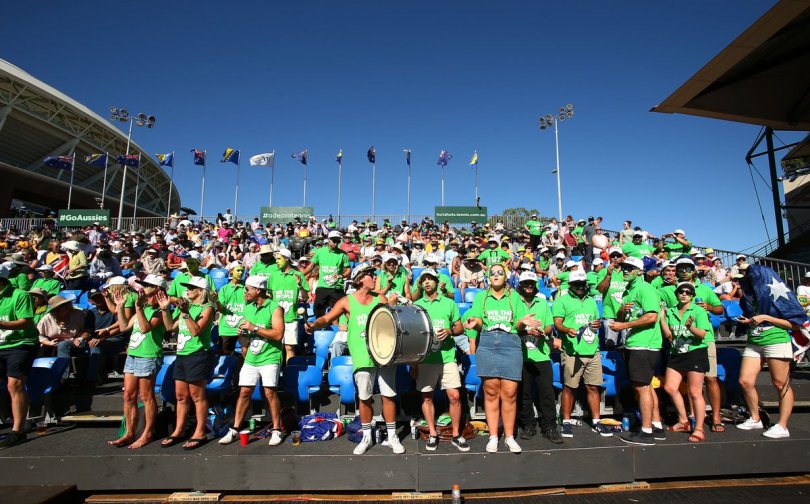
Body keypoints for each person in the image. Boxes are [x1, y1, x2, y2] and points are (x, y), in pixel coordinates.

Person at [306, 264, 404, 455]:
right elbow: (327, 318)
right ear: (359, 279)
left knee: (388, 396)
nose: (375, 278)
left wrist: (393, 307)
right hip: (362, 356)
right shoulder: (347, 301)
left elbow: (393, 324)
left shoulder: (381, 298)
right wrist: (313, 324)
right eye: (370, 275)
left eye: (374, 275)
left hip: (384, 355)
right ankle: (366, 437)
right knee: (364, 398)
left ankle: (392, 436)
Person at [463, 263, 541, 454]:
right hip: (487, 344)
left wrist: (522, 322)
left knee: (510, 393)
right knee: (491, 392)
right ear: (488, 277)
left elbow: (518, 326)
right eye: (493, 273)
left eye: (500, 272)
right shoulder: (481, 297)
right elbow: (478, 322)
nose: (496, 275)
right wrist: (474, 323)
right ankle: (493, 436)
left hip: (511, 345)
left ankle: (509, 436)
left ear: (506, 276)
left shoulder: (514, 297)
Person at [736, 265, 805, 439]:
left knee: (781, 384)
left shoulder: (777, 293)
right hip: (754, 340)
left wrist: (766, 317)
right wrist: (748, 321)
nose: (747, 279)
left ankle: (782, 426)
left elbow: (795, 324)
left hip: (776, 340)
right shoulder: (750, 296)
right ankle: (755, 418)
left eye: (750, 276)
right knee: (745, 381)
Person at [658, 257, 726, 433]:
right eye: (680, 268)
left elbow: (720, 309)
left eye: (688, 268)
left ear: (694, 271)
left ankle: (716, 418)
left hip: (703, 340)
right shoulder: (669, 289)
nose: (683, 271)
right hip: (680, 342)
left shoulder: (704, 289)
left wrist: (709, 307)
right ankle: (691, 417)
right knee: (687, 384)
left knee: (710, 379)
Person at [219, 275, 286, 446]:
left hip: (270, 357)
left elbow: (278, 334)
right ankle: (235, 429)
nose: (245, 293)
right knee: (244, 392)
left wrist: (254, 328)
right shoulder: (248, 308)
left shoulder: (275, 308)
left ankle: (277, 429)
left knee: (269, 393)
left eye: (247, 289)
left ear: (258, 290)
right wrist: (244, 334)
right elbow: (247, 331)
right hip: (251, 357)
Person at [107, 274, 167, 449]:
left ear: (157, 289)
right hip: (133, 354)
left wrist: (139, 308)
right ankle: (129, 432)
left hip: (149, 355)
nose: (143, 288)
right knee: (128, 395)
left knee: (146, 396)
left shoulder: (160, 310)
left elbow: (145, 328)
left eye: (147, 285)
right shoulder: (143, 306)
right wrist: (120, 307)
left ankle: (147, 433)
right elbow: (124, 327)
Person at [411, 268, 468, 452]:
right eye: (424, 280)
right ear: (421, 284)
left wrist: (450, 331)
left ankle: (456, 434)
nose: (427, 282)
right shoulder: (416, 306)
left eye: (430, 279)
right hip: (425, 358)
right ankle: (433, 433)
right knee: (427, 397)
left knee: (454, 396)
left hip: (447, 356)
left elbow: (459, 327)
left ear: (437, 281)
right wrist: (413, 362)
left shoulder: (449, 303)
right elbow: (412, 336)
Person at [610, 257, 665, 446]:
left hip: (644, 345)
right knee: (646, 386)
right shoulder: (629, 291)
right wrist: (622, 311)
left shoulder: (645, 289)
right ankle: (657, 427)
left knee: (642, 388)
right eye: (624, 267)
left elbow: (652, 317)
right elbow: (622, 316)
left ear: (640, 271)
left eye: (630, 268)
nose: (625, 270)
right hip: (635, 344)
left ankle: (646, 432)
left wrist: (624, 325)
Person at [158, 276, 216, 450]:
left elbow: (196, 331)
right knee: (181, 396)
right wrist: (165, 309)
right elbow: (170, 327)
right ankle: (178, 430)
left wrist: (185, 312)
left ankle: (200, 431)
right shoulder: (186, 306)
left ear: (201, 291)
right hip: (182, 354)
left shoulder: (207, 308)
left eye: (191, 288)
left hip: (198, 354)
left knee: (197, 396)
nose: (187, 290)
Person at [553, 270, 609, 438]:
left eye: (582, 284)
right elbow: (557, 323)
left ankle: (596, 421)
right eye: (576, 284)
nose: (580, 287)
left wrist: (597, 324)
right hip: (572, 352)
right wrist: (566, 330)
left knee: (593, 387)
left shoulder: (591, 301)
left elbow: (596, 321)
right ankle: (566, 422)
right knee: (570, 388)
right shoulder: (561, 301)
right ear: (570, 285)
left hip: (592, 351)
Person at [660, 281, 711, 443]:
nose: (684, 294)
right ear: (676, 294)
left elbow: (702, 335)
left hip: (696, 352)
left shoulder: (698, 310)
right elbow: (669, 336)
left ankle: (699, 429)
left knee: (695, 392)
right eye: (681, 291)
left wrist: (690, 328)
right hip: (677, 353)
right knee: (669, 387)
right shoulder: (671, 311)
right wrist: (662, 319)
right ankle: (683, 420)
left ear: (692, 295)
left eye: (688, 292)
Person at [515, 271, 561, 444]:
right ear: (520, 285)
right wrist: (526, 330)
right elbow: (512, 327)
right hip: (520, 356)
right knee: (524, 394)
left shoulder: (542, 303)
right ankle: (528, 425)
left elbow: (549, 326)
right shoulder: (514, 302)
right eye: (526, 283)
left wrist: (543, 332)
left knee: (547, 394)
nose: (529, 286)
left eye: (532, 283)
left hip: (541, 356)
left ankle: (549, 427)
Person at [0, 265, 37, 449]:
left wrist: (1, 324)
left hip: (21, 343)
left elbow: (26, 322)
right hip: (1, 344)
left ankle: (18, 431)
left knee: (14, 384)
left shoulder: (20, 295)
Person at [269, 248, 309, 362]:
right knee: (276, 348)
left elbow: (306, 297)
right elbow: (269, 296)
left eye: (279, 259)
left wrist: (299, 285)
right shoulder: (273, 275)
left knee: (289, 348)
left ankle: (289, 370)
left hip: (291, 318)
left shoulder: (298, 275)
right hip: (275, 319)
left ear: (286, 259)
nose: (276, 261)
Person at [301, 230, 350, 317]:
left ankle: (337, 326)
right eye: (333, 240)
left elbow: (348, 270)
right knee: (318, 311)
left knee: (339, 313)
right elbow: (311, 265)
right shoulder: (320, 252)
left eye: (337, 241)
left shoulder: (343, 254)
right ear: (329, 240)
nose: (335, 243)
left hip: (337, 288)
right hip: (322, 287)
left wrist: (341, 275)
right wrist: (301, 275)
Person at [214, 263, 247, 356]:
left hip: (243, 326)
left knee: (246, 352)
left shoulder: (247, 289)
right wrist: (216, 300)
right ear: (231, 271)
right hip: (226, 328)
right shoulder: (224, 289)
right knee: (225, 354)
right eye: (238, 270)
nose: (240, 273)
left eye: (242, 271)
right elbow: (221, 309)